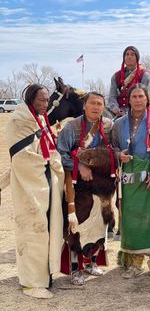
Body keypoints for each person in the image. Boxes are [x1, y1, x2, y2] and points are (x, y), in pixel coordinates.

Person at [5, 84, 64, 299]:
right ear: (31, 99)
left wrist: (53, 162)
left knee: (47, 231)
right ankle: (32, 282)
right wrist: (51, 164)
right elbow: (21, 157)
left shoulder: (39, 120)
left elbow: (46, 149)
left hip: (46, 184)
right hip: (31, 186)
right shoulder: (19, 121)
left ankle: (43, 277)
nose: (45, 104)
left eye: (47, 100)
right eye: (41, 100)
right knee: (34, 231)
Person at [112, 83, 150, 281]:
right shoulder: (119, 124)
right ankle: (133, 263)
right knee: (130, 219)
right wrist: (119, 154)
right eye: (134, 96)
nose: (138, 100)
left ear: (147, 99)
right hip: (128, 180)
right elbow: (112, 148)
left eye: (141, 96)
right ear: (128, 100)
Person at [57, 91, 115, 285]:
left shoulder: (108, 126)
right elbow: (60, 155)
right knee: (77, 225)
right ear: (84, 105)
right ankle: (75, 270)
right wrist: (79, 165)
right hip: (78, 186)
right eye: (93, 103)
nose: (96, 107)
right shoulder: (71, 127)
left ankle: (91, 262)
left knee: (99, 224)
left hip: (103, 185)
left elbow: (114, 149)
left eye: (100, 103)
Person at [108, 46, 150, 117]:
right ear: (124, 58)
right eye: (127, 54)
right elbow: (112, 96)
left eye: (132, 54)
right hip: (118, 111)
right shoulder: (116, 76)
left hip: (138, 109)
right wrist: (115, 109)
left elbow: (145, 97)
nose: (129, 57)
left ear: (137, 58)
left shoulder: (144, 75)